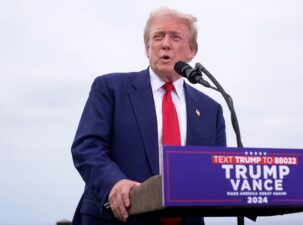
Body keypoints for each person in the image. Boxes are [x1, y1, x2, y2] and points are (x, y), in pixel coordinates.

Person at [71, 7, 226, 225]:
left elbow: (219, 170)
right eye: (158, 36)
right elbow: (87, 147)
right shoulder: (110, 89)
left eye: (175, 37)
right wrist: (114, 184)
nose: (165, 44)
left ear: (191, 50)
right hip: (119, 219)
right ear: (147, 48)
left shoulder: (212, 110)